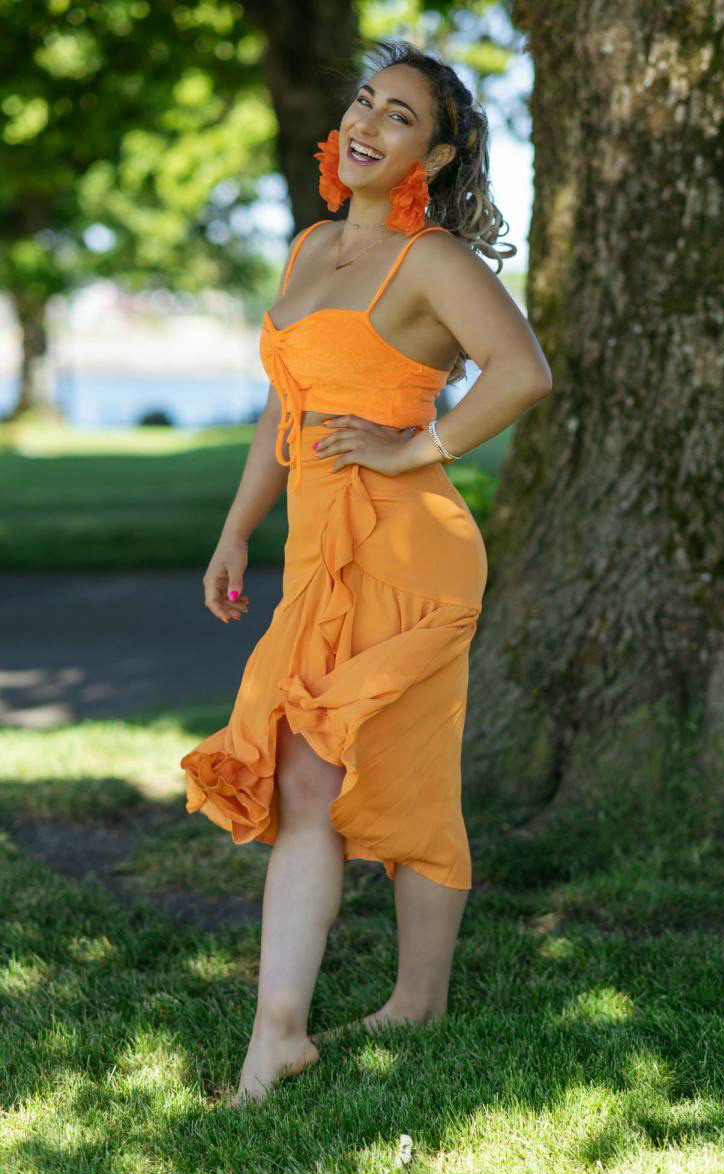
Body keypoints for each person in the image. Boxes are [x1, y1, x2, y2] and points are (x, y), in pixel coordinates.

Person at [179, 39, 552, 1106]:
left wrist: (410, 447)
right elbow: (284, 407)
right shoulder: (309, 248)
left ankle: (319, 1025)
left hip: (409, 553)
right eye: (364, 101)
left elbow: (522, 372)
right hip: (317, 551)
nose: (366, 123)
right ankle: (349, 1016)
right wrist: (236, 529)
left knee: (361, 775)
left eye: (399, 116)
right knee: (327, 778)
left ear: (430, 157)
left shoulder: (431, 260)